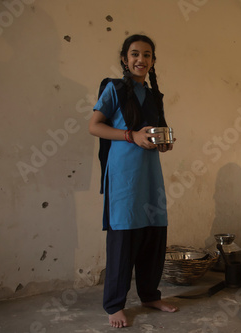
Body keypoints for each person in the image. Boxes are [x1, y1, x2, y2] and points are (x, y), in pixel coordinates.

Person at [89, 34, 178, 328]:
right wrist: (131, 135)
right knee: (124, 236)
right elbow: (94, 126)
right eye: (135, 54)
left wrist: (164, 142)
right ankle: (114, 304)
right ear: (125, 59)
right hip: (124, 173)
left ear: (153, 61)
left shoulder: (155, 96)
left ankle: (150, 295)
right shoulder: (114, 89)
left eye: (147, 55)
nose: (141, 59)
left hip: (150, 173)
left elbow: (158, 132)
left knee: (153, 231)